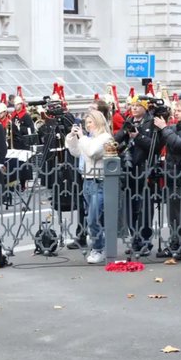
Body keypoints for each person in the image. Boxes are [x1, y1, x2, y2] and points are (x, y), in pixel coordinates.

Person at [65, 109, 114, 265]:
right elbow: (77, 152)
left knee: (93, 217)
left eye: (90, 122)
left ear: (98, 122)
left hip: (99, 181)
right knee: (90, 216)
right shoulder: (89, 138)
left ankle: (98, 248)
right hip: (87, 180)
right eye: (86, 123)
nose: (87, 125)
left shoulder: (105, 137)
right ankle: (97, 240)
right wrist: (72, 138)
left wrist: (82, 137)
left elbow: (92, 151)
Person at [115, 96, 161, 255]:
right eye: (132, 105)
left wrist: (138, 136)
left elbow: (155, 146)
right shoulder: (128, 120)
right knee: (130, 207)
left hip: (145, 169)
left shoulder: (152, 122)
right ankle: (135, 239)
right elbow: (116, 141)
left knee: (145, 208)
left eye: (137, 106)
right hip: (128, 170)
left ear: (145, 107)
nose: (133, 108)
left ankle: (145, 242)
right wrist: (124, 131)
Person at [156, 98, 181, 260]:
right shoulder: (174, 126)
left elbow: (180, 144)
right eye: (175, 110)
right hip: (171, 174)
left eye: (179, 110)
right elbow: (162, 142)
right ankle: (174, 242)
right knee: (172, 212)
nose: (175, 113)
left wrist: (165, 128)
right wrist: (159, 130)